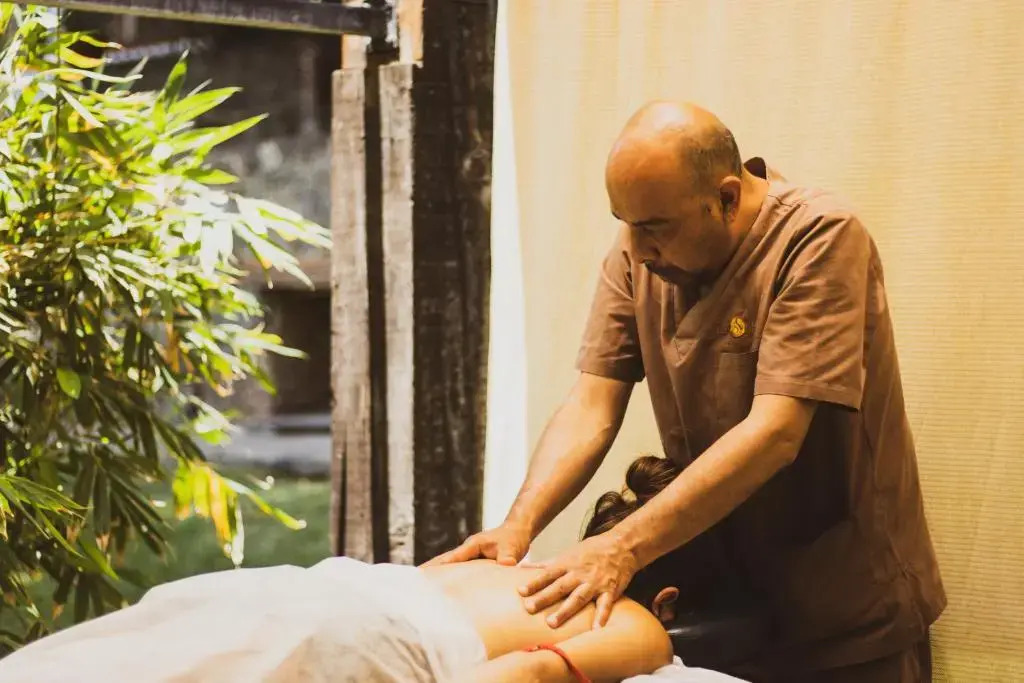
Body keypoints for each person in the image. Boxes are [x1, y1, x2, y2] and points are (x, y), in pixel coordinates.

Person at [427, 101, 946, 681]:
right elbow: (591, 406)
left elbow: (776, 432)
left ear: (726, 198)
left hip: (845, 605)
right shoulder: (639, 254)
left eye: (655, 228)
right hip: (729, 603)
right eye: (625, 223)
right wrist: (517, 526)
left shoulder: (819, 237)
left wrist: (621, 548)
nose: (636, 248)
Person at [0, 457, 744, 683]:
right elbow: (531, 673)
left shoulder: (524, 569)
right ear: (669, 597)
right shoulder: (641, 623)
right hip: (363, 638)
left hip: (313, 587)